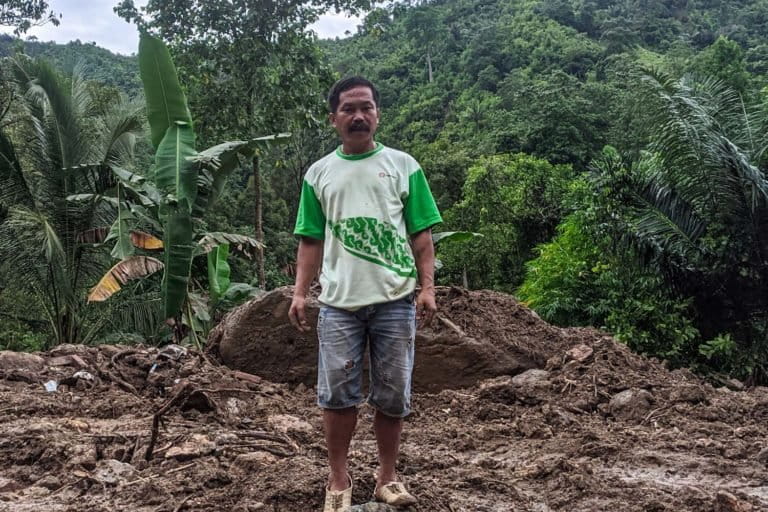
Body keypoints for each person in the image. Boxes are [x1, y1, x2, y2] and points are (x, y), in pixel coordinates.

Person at [288, 76, 442, 512]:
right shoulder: (318, 173)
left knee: (393, 395)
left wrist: (427, 288)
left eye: (367, 108)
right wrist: (301, 293)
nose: (359, 116)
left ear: (377, 114)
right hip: (338, 305)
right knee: (337, 396)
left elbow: (421, 235)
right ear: (334, 117)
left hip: (395, 301)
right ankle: (338, 480)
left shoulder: (403, 165)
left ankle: (387, 477)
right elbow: (310, 240)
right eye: (349, 109)